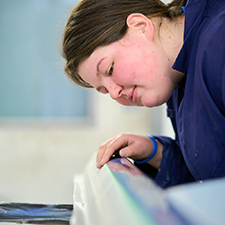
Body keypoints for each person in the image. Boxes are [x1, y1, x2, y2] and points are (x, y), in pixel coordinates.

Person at [62, 0, 225, 188]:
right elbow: (210, 177)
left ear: (141, 27)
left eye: (110, 69)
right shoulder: (176, 78)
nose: (115, 94)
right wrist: (155, 152)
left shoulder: (219, 43)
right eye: (104, 90)